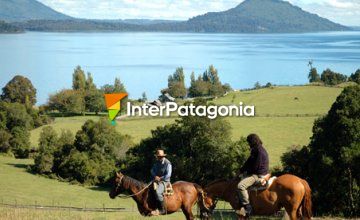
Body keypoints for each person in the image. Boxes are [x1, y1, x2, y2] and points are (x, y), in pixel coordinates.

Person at [237, 134, 269, 217]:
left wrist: (246, 172)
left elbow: (256, 166)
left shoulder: (258, 151)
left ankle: (248, 207)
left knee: (241, 186)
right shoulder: (258, 149)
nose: (248, 144)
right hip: (259, 172)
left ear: (252, 141)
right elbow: (249, 162)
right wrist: (241, 170)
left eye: (249, 142)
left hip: (258, 175)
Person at [150, 149, 172, 216]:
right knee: (147, 188)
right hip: (156, 180)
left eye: (160, 156)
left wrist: (160, 178)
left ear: (163, 156)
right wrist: (155, 176)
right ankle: (153, 207)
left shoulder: (168, 163)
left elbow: (168, 174)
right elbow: (152, 170)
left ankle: (162, 209)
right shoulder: (156, 163)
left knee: (158, 192)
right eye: (158, 156)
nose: (159, 157)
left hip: (165, 181)